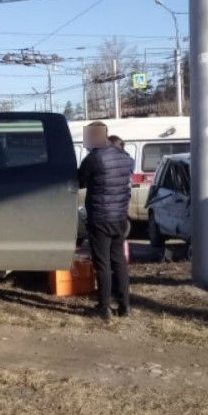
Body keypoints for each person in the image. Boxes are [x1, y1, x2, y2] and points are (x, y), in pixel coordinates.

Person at [79, 121, 134, 320]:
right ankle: (125, 306)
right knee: (119, 262)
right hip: (120, 217)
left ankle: (104, 308)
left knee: (102, 264)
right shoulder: (125, 157)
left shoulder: (94, 158)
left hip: (100, 218)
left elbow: (80, 181)